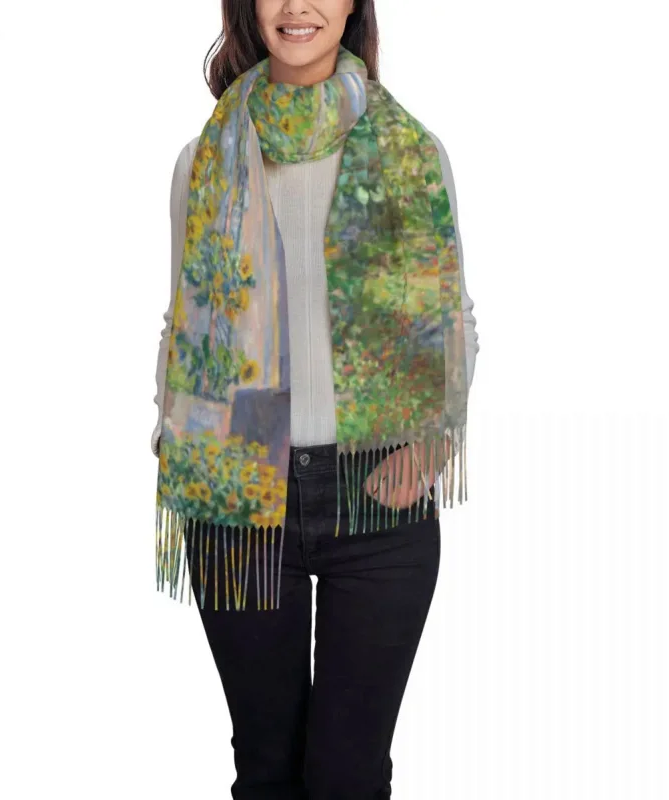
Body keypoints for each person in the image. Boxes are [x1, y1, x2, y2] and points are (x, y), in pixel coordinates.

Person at [151, 1, 480, 797]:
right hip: (237, 497)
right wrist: (174, 438)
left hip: (376, 498)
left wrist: (431, 442)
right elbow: (182, 323)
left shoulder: (412, 152)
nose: (298, 6)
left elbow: (453, 321)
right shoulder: (204, 161)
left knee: (347, 777)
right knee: (266, 770)